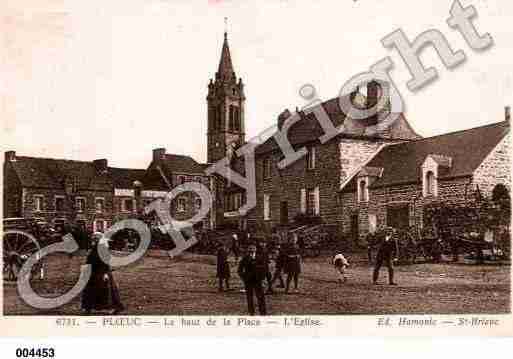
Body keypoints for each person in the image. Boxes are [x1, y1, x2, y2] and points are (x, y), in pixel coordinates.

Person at [81, 233, 125, 314]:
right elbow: (91, 259)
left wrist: (105, 273)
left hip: (101, 272)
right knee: (92, 290)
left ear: (98, 239)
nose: (92, 239)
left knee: (107, 291)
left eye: (94, 238)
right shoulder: (95, 247)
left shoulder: (102, 248)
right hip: (93, 272)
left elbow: (105, 261)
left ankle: (116, 307)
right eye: (93, 238)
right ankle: (89, 307)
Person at [238, 244, 267, 315]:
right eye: (250, 249)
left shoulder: (260, 258)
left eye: (253, 249)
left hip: (258, 280)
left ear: (256, 250)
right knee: (249, 298)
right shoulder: (245, 258)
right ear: (248, 250)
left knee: (261, 297)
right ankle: (251, 312)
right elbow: (239, 270)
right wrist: (244, 277)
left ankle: (263, 312)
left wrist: (262, 279)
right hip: (248, 281)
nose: (251, 251)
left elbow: (264, 269)